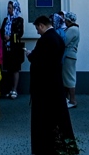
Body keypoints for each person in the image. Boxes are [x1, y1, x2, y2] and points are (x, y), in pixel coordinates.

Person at [28, 16, 75, 155]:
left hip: (44, 87)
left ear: (42, 25)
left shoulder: (46, 40)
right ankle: (63, 145)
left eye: (37, 28)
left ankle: (45, 147)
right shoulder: (58, 38)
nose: (37, 32)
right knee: (59, 117)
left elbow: (39, 60)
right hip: (55, 84)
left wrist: (30, 55)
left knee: (44, 119)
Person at [2, 17, 26, 100]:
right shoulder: (6, 19)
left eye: (10, 8)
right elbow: (2, 30)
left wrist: (10, 37)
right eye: (8, 8)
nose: (9, 10)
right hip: (7, 47)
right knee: (9, 69)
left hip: (15, 47)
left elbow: (20, 32)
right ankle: (10, 89)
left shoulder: (19, 19)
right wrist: (4, 36)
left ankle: (15, 89)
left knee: (15, 69)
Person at [60, 12, 80, 108]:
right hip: (70, 55)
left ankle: (72, 100)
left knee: (69, 78)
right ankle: (68, 99)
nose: (65, 22)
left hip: (68, 55)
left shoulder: (72, 29)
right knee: (68, 78)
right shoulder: (74, 29)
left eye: (66, 20)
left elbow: (64, 41)